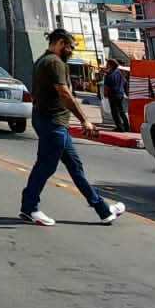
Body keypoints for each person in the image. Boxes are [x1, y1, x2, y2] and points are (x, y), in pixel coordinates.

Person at [20, 29, 125, 227]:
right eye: (70, 47)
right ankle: (29, 207)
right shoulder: (54, 62)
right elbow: (64, 93)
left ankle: (103, 210)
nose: (72, 51)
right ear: (61, 43)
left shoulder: (42, 60)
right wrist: (84, 119)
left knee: (75, 168)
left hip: (51, 122)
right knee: (45, 167)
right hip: (53, 123)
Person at [102, 60, 130, 133]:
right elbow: (124, 82)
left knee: (115, 112)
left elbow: (106, 87)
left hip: (113, 94)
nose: (106, 65)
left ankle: (119, 127)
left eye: (107, 64)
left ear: (110, 65)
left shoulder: (109, 75)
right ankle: (127, 127)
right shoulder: (119, 73)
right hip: (120, 94)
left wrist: (105, 95)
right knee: (122, 111)